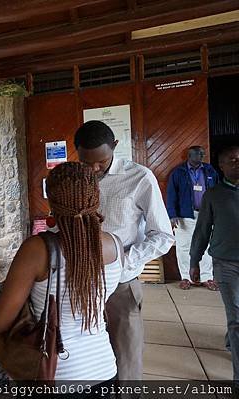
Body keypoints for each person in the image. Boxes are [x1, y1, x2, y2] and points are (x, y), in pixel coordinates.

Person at [0, 162, 122, 384]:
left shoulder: (37, 249)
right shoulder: (115, 245)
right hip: (105, 369)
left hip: (56, 373)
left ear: (51, 199)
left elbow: (0, 321)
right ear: (96, 198)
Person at [74, 120, 174, 381]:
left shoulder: (139, 177)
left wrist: (123, 261)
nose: (94, 169)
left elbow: (163, 236)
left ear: (115, 147)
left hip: (121, 284)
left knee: (126, 358)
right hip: (81, 282)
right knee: (87, 355)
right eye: (87, 162)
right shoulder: (75, 177)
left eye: (102, 162)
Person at [190, 145, 239, 383]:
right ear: (221, 166)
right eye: (232, 159)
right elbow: (201, 232)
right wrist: (194, 261)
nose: (237, 162)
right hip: (226, 263)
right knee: (237, 318)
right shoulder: (214, 195)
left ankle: (232, 340)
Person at [166, 146, 219, 290]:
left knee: (207, 246)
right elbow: (171, 194)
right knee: (184, 247)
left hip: (207, 215)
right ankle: (186, 278)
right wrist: (172, 215)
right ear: (189, 155)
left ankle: (207, 278)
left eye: (202, 154)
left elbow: (217, 192)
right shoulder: (178, 172)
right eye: (198, 154)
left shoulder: (209, 170)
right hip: (184, 216)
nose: (202, 156)